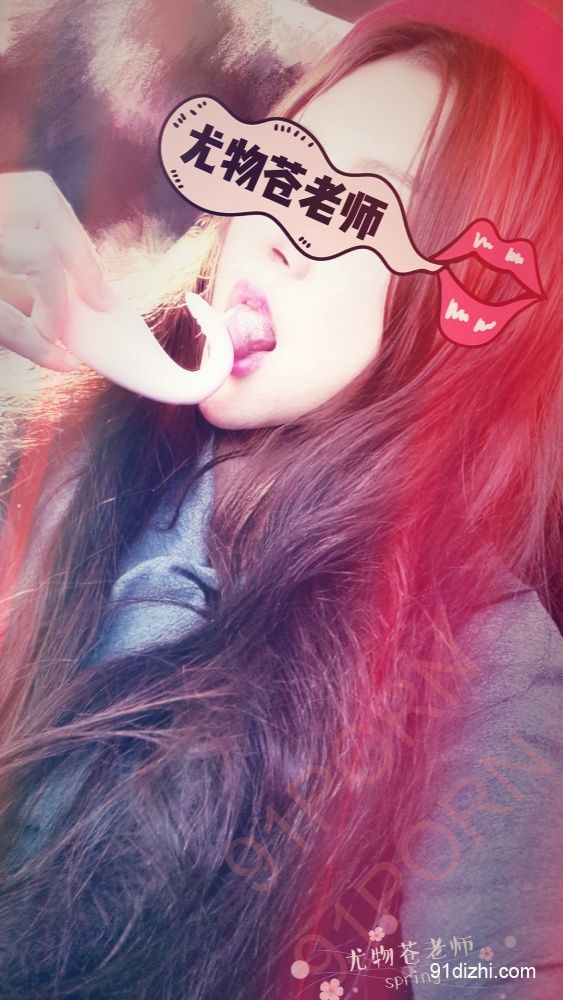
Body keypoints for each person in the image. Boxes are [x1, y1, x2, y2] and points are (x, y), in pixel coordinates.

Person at [0, 1, 562, 997]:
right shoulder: (64, 448)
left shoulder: (488, 658)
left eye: (353, 211)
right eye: (278, 171)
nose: (280, 236)